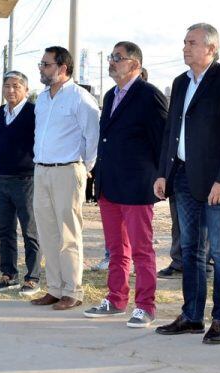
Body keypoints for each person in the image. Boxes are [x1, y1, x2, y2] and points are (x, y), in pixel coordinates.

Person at [153, 23, 220, 344]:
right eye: (184, 42)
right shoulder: (181, 82)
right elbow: (172, 131)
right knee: (191, 250)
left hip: (215, 183)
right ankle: (192, 316)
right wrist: (164, 172)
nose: (185, 47)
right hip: (182, 177)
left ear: (211, 48)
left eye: (192, 43)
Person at [83, 41, 167, 327]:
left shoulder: (149, 95)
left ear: (135, 64)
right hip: (110, 185)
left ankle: (145, 306)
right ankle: (116, 299)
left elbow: (161, 141)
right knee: (116, 249)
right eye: (111, 57)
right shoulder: (110, 95)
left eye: (117, 58)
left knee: (142, 250)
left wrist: (160, 176)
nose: (112, 62)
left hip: (136, 185)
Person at [29, 46, 100, 310]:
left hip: (68, 170)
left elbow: (93, 136)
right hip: (41, 170)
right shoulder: (43, 99)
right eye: (41, 64)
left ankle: (73, 290)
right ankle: (55, 288)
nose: (41, 68)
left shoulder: (80, 98)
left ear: (62, 69)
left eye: (46, 64)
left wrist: (84, 167)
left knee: (68, 234)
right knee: (47, 233)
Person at [0, 71, 42, 296]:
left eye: (16, 86)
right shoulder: (0, 112)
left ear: (26, 90)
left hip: (27, 179)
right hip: (2, 179)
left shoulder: (33, 111)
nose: (10, 90)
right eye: (7, 86)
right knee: (5, 231)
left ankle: (33, 277)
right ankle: (8, 274)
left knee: (30, 231)